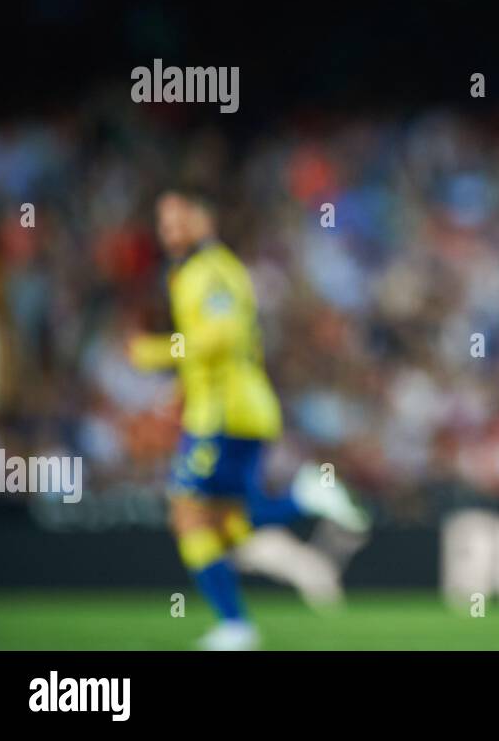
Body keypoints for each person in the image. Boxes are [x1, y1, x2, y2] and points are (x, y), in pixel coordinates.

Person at [130, 187, 369, 650]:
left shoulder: (211, 271)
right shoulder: (191, 271)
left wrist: (154, 351)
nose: (170, 230)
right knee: (223, 523)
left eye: (179, 218)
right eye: (164, 221)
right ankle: (237, 623)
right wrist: (178, 390)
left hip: (228, 412)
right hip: (221, 408)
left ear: (205, 219)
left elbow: (221, 338)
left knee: (191, 512)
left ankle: (301, 500)